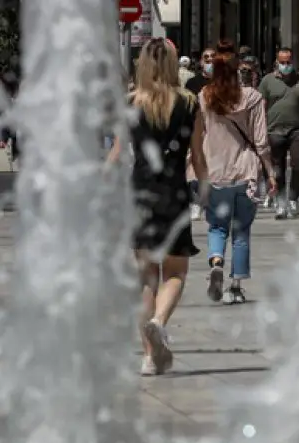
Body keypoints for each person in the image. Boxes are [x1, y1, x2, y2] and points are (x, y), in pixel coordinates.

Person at [106, 38, 208, 376]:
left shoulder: (131, 102)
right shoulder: (190, 102)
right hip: (174, 194)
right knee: (176, 272)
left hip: (140, 195)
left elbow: (118, 154)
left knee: (145, 277)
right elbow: (197, 155)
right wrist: (205, 189)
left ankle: (150, 357)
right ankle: (159, 321)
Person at [192, 40, 277, 305]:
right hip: (246, 171)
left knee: (217, 226)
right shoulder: (252, 97)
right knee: (241, 231)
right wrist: (271, 172)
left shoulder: (204, 96)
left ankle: (216, 261)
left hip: (215, 171)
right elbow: (261, 141)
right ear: (238, 71)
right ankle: (236, 286)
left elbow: (199, 135)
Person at [258, 47, 299, 219]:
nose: (285, 65)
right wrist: (260, 131)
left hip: (297, 130)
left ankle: (293, 198)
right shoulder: (267, 81)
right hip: (274, 130)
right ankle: (280, 202)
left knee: (298, 163)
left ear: (293, 62)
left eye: (288, 62)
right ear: (277, 62)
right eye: (282, 62)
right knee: (278, 169)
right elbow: (261, 108)